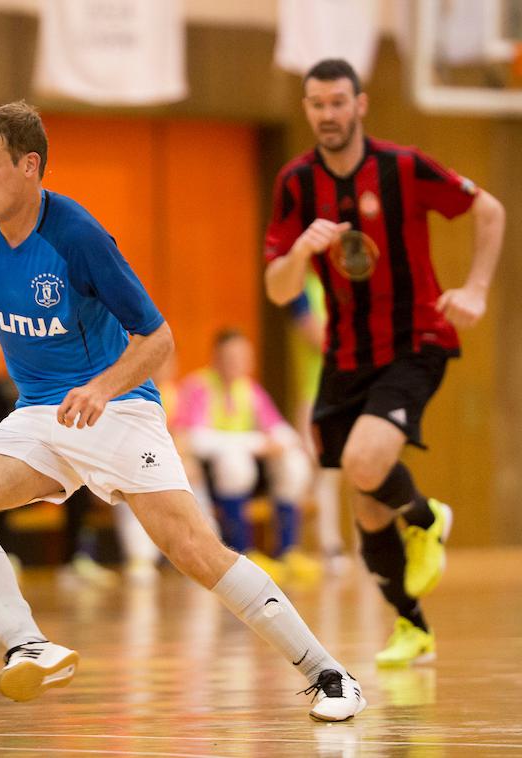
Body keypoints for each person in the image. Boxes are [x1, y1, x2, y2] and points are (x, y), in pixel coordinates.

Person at [0, 100, 364, 721]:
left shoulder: (77, 236)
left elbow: (158, 339)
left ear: (30, 168)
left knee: (191, 548)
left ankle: (328, 673)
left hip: (120, 406)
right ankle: (29, 645)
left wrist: (103, 388)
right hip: (41, 416)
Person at [264, 59, 505, 667]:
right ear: (307, 109)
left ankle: (427, 517)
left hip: (414, 340)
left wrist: (475, 289)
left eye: (338, 102)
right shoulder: (296, 183)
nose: (328, 114)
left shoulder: (403, 166)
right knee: (366, 503)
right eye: (317, 104)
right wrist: (298, 251)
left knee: (365, 461)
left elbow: (491, 211)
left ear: (360, 105)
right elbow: (276, 286)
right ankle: (413, 626)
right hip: (346, 356)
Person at [176, 329, 320, 583]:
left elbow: (280, 430)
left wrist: (281, 442)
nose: (236, 363)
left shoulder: (250, 390)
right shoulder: (199, 386)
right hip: (210, 475)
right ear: (216, 358)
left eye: (242, 357)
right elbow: (195, 439)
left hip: (252, 473)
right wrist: (255, 443)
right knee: (235, 462)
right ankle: (241, 551)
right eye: (229, 357)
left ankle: (287, 551)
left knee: (294, 463)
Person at [287, 271, 348, 574]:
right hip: (315, 395)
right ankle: (294, 547)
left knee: (334, 473)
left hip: (348, 391)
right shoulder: (302, 288)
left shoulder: (344, 285)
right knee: (311, 470)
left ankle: (331, 546)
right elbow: (316, 337)